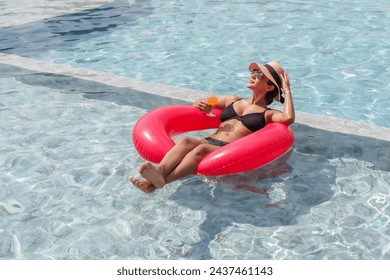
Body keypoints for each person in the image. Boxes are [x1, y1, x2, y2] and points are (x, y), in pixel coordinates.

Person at [130, 61, 295, 193]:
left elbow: (288, 118)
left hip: (228, 150)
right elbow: (207, 101)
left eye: (258, 74)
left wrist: (286, 91)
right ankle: (158, 173)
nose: (252, 76)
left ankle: (158, 183)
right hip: (209, 141)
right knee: (186, 141)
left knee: (198, 151)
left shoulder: (267, 114)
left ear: (270, 87)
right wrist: (202, 104)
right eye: (252, 72)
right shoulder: (232, 100)